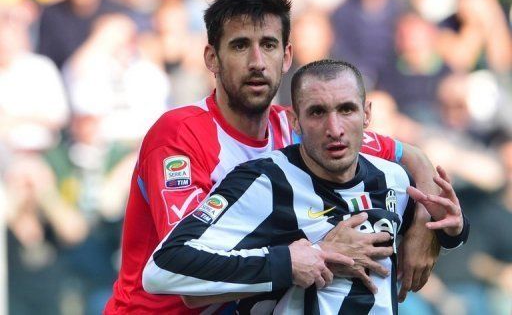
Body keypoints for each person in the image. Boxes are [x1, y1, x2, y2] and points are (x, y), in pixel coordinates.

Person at [105, 0, 440, 313]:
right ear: (212, 58)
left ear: (286, 56)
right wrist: (317, 252)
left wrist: (425, 227)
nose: (256, 61)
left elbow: (410, 155)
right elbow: (188, 270)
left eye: (268, 45)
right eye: (239, 46)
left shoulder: (302, 126)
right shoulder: (179, 136)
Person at [142, 59, 469, 314]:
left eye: (346, 109)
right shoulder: (264, 181)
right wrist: (301, 259)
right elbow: (163, 269)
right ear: (295, 121)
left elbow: (436, 225)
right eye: (317, 113)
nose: (334, 128)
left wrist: (449, 231)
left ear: (366, 115)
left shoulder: (393, 179)